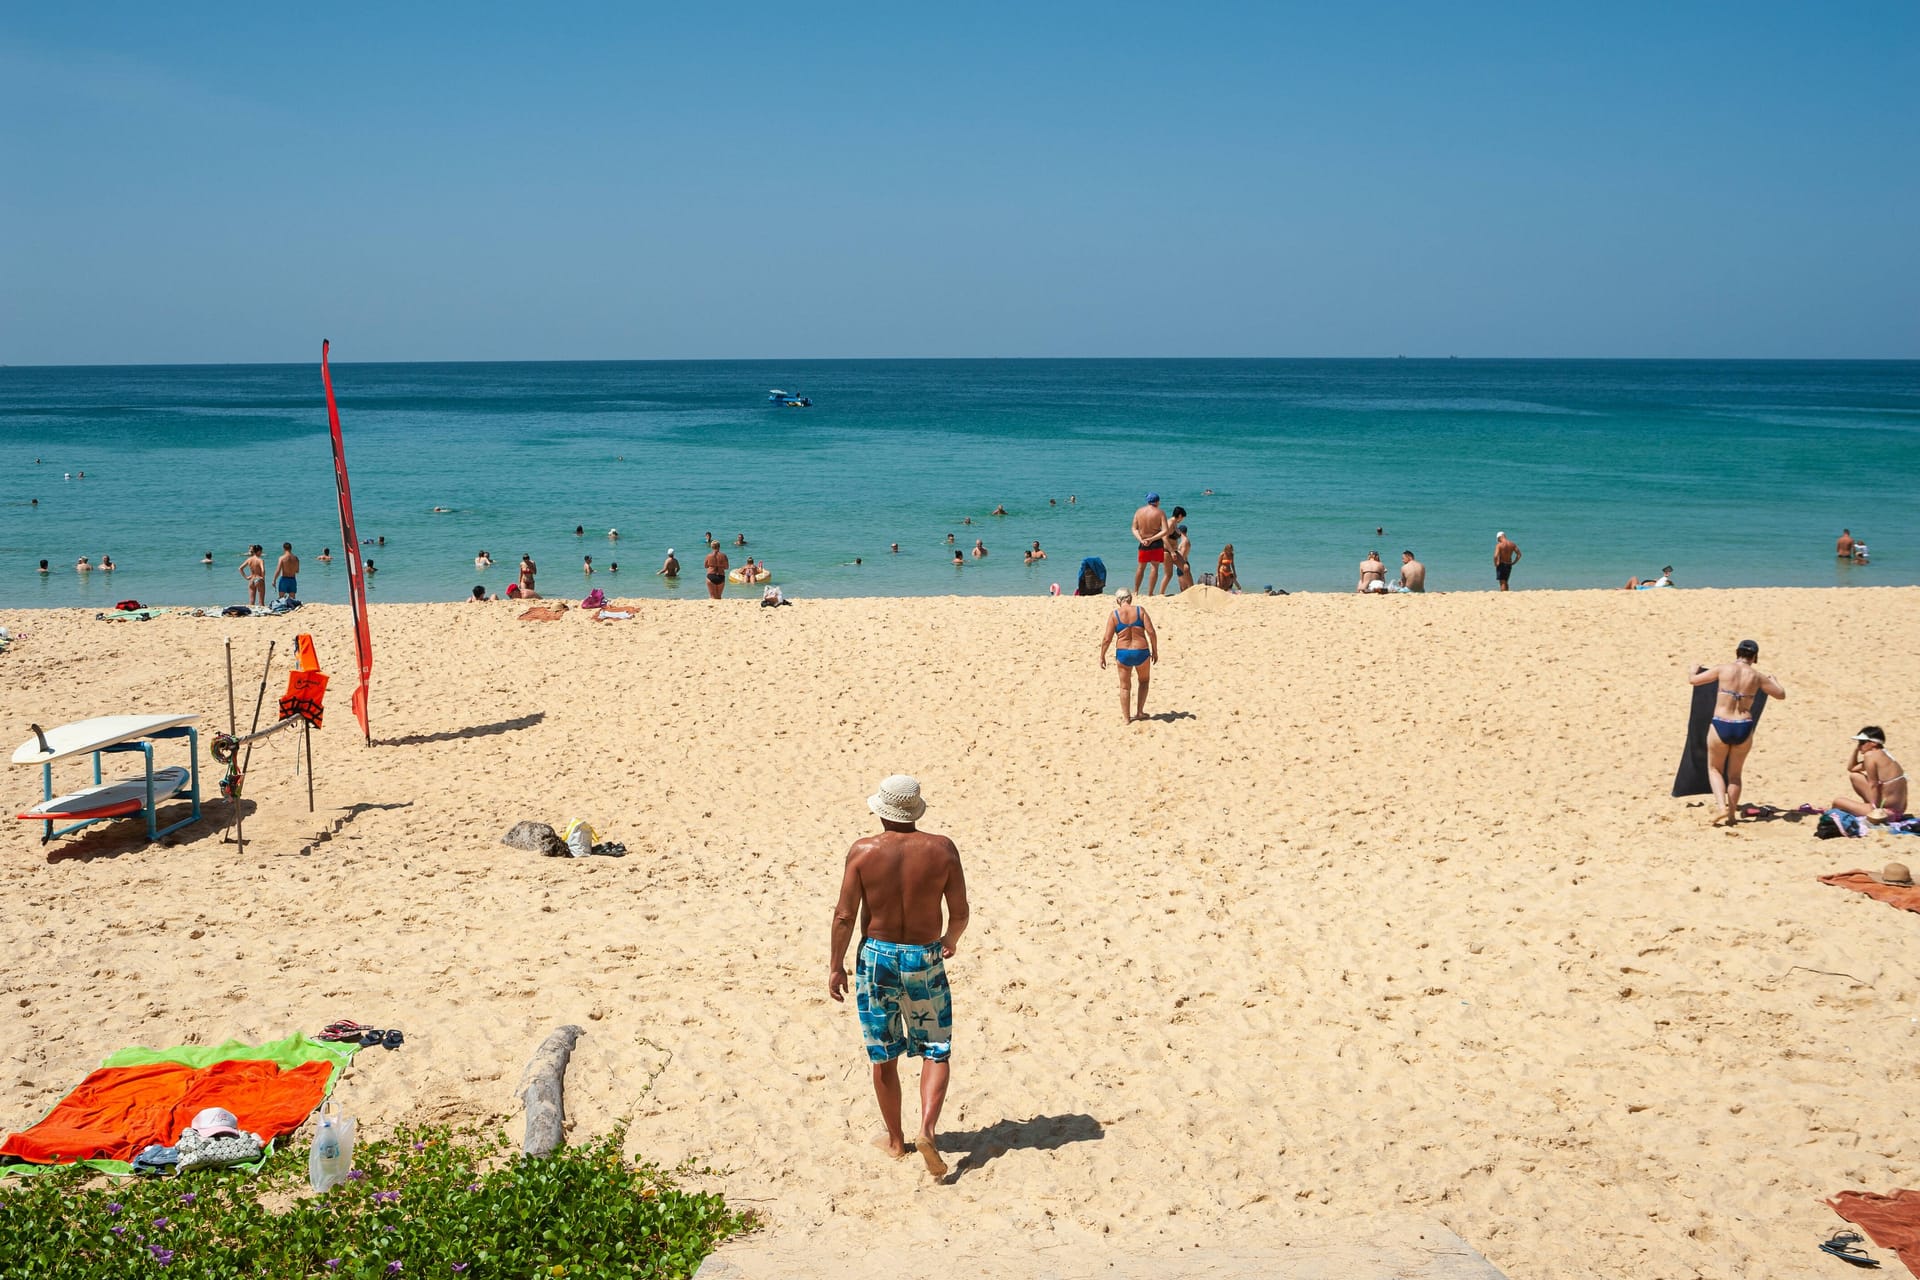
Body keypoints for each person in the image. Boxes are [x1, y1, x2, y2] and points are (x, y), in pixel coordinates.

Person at [828, 775, 969, 1180]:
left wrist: (836, 965)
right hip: (924, 955)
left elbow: (844, 915)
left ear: (881, 810)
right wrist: (950, 941)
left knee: (883, 1053)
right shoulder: (941, 849)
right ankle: (926, 1129)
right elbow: (959, 911)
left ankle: (895, 1139)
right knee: (935, 1047)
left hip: (878, 957)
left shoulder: (863, 851)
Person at [1686, 639, 1787, 826]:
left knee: (1715, 769)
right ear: (1754, 657)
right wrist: (1775, 681)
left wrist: (1693, 669)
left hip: (1721, 723)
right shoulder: (1757, 677)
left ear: (1737, 652)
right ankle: (1732, 815)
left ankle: (1721, 807)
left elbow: (1694, 681)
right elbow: (1780, 694)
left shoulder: (1723, 669)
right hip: (1743, 725)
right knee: (1735, 775)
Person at [1098, 586, 1160, 724]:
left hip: (1123, 653)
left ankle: (1126, 718)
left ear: (1117, 601)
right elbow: (1151, 632)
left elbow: (1107, 639)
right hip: (1141, 651)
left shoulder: (1114, 615)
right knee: (1143, 681)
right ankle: (1139, 712)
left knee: (1125, 686)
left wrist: (1102, 655)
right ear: (1130, 599)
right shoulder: (1140, 611)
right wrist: (1155, 650)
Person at [1834, 727, 1908, 819]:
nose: (1860, 746)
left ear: (1874, 743)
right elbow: (1852, 768)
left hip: (1886, 812)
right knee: (1855, 776)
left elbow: (1874, 784)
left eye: (1862, 743)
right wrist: (1856, 750)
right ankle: (1869, 806)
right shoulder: (1883, 754)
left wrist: (1874, 809)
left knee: (1838, 802)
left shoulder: (1870, 756)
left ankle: (1871, 808)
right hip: (1899, 809)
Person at [1132, 493, 1169, 595]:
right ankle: (1150, 593)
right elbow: (1165, 531)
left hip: (1143, 542)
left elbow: (1134, 529)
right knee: (1154, 567)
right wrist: (1152, 539)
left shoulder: (1139, 512)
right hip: (1156, 542)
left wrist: (1141, 540)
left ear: (1148, 501)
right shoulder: (1160, 513)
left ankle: (1135, 591)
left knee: (1140, 567)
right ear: (1157, 502)